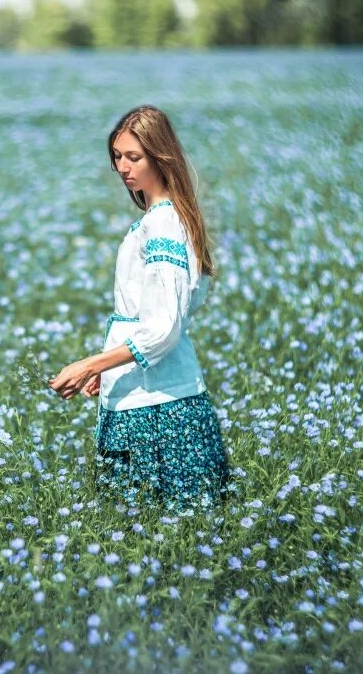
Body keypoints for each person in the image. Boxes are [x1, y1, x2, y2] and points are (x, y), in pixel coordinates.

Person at [48, 105, 231, 514]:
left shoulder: (163, 226)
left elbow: (162, 329)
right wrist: (113, 368)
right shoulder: (169, 219)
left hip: (157, 412)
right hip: (154, 395)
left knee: (150, 532)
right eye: (117, 157)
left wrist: (90, 365)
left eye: (135, 157)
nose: (123, 168)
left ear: (161, 157)